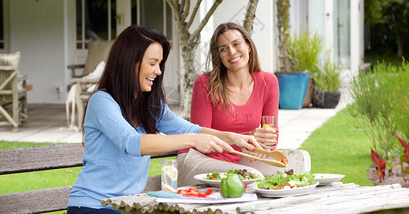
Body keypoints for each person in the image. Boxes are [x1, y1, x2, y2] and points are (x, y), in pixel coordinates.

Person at [67, 25, 260, 213]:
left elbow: (191, 129)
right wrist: (193, 140)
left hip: (126, 206)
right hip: (92, 205)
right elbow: (132, 143)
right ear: (129, 62)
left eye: (159, 64)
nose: (158, 71)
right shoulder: (102, 101)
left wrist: (233, 137)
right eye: (152, 63)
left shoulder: (149, 105)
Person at [177, 22, 280, 186]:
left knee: (288, 171)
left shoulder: (269, 82)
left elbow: (271, 134)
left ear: (249, 46)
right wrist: (247, 138)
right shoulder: (204, 84)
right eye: (223, 49)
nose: (232, 52)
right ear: (218, 56)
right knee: (251, 176)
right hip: (198, 160)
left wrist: (264, 145)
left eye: (236, 44)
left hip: (239, 162)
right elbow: (201, 138)